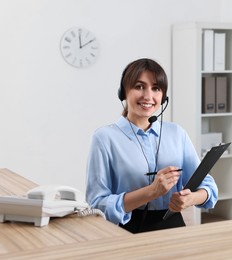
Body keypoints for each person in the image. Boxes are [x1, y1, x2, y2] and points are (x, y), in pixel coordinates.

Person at [85, 58, 218, 233]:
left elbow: (208, 185)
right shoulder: (104, 138)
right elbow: (97, 205)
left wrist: (190, 199)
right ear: (123, 93)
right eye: (139, 86)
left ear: (163, 97)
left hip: (173, 227)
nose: (148, 96)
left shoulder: (176, 133)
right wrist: (151, 192)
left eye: (156, 88)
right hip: (125, 229)